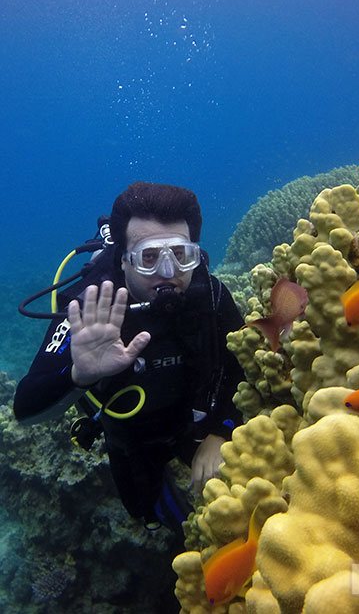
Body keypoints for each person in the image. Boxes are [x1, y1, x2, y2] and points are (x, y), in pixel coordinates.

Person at [13, 181, 245, 531]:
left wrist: (220, 431)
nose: (168, 272)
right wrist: (79, 375)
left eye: (180, 254)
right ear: (123, 261)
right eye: (149, 257)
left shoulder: (209, 296)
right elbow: (25, 409)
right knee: (150, 516)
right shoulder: (88, 310)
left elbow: (241, 368)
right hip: (132, 435)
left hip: (196, 419)